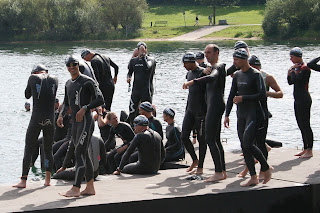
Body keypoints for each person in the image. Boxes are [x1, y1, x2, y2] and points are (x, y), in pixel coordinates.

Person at [56, 55, 104, 197]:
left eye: (74, 64)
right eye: (69, 65)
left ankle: (76, 188)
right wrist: (60, 115)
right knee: (84, 155)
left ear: (78, 65)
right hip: (76, 122)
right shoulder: (68, 84)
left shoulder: (87, 81)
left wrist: (85, 107)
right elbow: (66, 103)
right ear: (67, 67)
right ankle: (90, 187)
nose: (72, 67)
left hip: (86, 122)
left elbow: (100, 99)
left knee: (79, 154)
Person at [224, 49, 272, 187]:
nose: (234, 63)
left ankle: (266, 168)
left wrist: (243, 98)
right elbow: (231, 95)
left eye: (236, 60)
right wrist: (227, 114)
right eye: (233, 60)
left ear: (244, 59)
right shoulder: (238, 75)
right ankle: (253, 176)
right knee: (243, 146)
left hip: (254, 114)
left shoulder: (255, 75)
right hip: (241, 114)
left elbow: (262, 95)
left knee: (248, 143)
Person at [183, 44, 227, 182]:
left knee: (209, 140)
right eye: (205, 52)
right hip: (196, 107)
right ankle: (220, 170)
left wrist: (193, 81)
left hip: (207, 108)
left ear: (216, 53)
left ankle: (216, 170)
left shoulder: (212, 69)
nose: (206, 55)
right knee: (187, 136)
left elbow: (213, 77)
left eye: (209, 52)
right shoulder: (211, 69)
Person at [13, 64, 58, 188]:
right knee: (48, 149)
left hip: (37, 118)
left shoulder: (33, 77)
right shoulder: (55, 79)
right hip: (50, 119)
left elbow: (27, 95)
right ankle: (48, 180)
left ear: (35, 72)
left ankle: (23, 181)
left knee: (29, 148)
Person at [238, 55, 283, 178]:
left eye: (257, 67)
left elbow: (280, 93)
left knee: (260, 142)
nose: (255, 69)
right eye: (253, 66)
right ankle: (249, 168)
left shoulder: (266, 77)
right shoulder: (244, 74)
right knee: (246, 142)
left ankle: (264, 169)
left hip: (262, 112)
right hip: (247, 112)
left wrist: (265, 93)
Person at [181, 52, 207, 175]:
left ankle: (200, 166)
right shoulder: (189, 74)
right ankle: (195, 160)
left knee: (202, 140)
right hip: (190, 109)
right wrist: (187, 109)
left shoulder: (203, 72)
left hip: (201, 111)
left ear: (192, 62)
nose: (184, 66)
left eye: (185, 64)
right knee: (184, 136)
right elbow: (190, 94)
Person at [287, 47, 313, 158]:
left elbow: (297, 80)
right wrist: (290, 72)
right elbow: (290, 82)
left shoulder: (305, 68)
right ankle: (305, 147)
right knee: (300, 124)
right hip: (297, 99)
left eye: (292, 57)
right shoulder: (296, 68)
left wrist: (292, 71)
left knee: (306, 124)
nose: (290, 59)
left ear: (298, 56)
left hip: (304, 99)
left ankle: (310, 149)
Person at [127, 41, 156, 125]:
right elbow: (129, 71)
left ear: (146, 50)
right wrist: (128, 77)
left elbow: (147, 67)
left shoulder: (151, 59)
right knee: (132, 109)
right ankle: (133, 127)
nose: (141, 50)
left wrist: (143, 56)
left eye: (143, 49)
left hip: (146, 90)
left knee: (147, 110)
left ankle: (148, 127)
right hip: (136, 89)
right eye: (140, 49)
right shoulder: (133, 61)